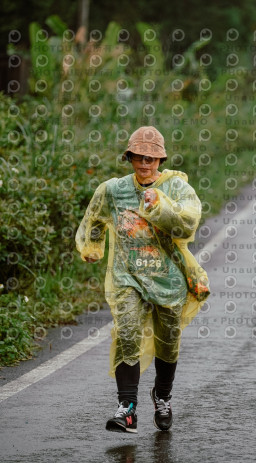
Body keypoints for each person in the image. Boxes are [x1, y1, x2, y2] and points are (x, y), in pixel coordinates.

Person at [75, 126, 210, 433]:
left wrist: (159, 206)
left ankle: (162, 396)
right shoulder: (113, 189)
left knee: (168, 342)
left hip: (168, 277)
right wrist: (91, 247)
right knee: (126, 332)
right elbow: (94, 217)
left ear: (160, 159)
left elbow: (187, 225)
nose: (145, 164)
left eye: (151, 158)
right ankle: (127, 408)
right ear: (130, 158)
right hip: (127, 275)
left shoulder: (176, 188)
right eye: (139, 157)